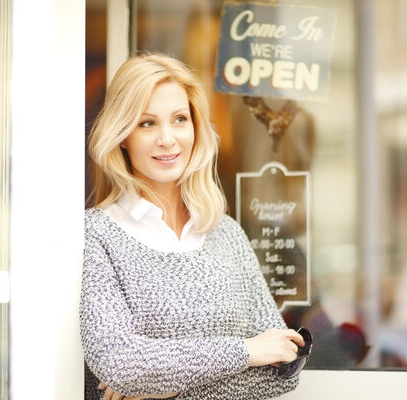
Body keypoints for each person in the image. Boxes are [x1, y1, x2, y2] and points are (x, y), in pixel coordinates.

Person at [80, 53, 305, 400]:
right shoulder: (95, 235)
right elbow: (122, 366)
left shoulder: (226, 233)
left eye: (180, 119)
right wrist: (247, 351)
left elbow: (282, 371)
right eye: (147, 123)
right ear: (123, 135)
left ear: (196, 127)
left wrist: (158, 386)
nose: (168, 139)